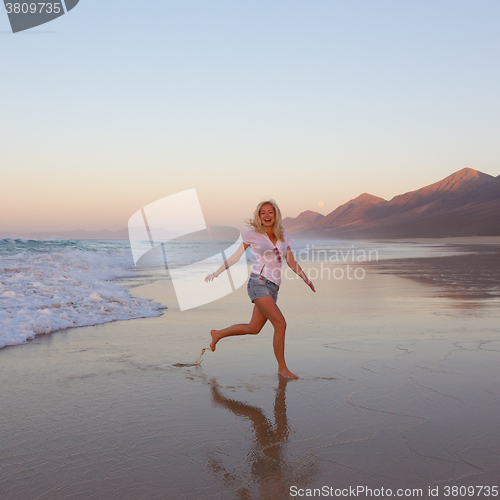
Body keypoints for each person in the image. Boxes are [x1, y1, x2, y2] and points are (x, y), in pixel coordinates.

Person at [205, 199, 316, 378]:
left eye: (270, 212)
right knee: (281, 324)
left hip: (273, 288)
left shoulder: (282, 234)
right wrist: (216, 273)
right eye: (262, 212)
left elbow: (291, 260)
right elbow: (235, 257)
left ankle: (218, 334)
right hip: (258, 283)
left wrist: (306, 279)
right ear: (258, 216)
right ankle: (282, 368)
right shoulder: (253, 235)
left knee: (254, 328)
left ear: (275, 214)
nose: (266, 215)